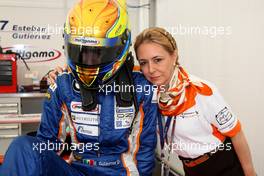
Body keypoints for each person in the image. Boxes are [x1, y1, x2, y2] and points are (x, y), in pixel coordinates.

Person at [0, 1, 158, 176]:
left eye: (98, 52)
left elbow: (145, 153)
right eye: (81, 52)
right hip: (77, 171)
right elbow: (45, 146)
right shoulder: (62, 84)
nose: (88, 61)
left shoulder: (142, 86)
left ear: (120, 46)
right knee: (22, 146)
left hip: (120, 173)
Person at [133, 27, 256, 176]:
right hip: (189, 168)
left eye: (158, 60)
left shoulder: (201, 90)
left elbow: (236, 133)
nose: (150, 69)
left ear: (174, 56)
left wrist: (250, 172)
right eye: (144, 62)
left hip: (222, 165)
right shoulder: (148, 93)